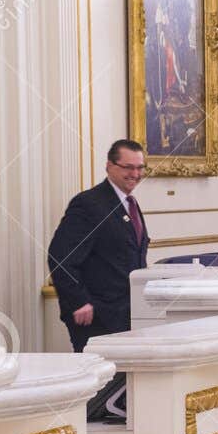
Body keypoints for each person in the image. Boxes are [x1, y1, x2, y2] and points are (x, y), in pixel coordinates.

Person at [48, 139, 151, 354]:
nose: (135, 174)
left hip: (126, 314)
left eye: (140, 167)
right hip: (96, 316)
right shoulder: (89, 203)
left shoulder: (130, 203)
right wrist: (79, 302)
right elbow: (60, 257)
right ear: (110, 166)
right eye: (128, 167)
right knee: (103, 384)